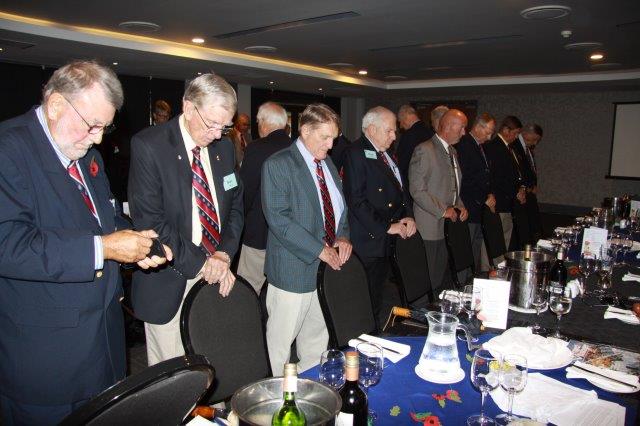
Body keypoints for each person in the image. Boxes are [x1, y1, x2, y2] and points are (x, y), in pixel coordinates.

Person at [0, 60, 171, 425]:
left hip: (102, 346)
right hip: (47, 359)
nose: (98, 139)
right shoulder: (8, 149)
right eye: (92, 124)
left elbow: (105, 218)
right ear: (56, 105)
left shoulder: (85, 154)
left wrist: (135, 242)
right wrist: (104, 248)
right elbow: (8, 245)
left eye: (105, 127)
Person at [128, 73, 244, 366]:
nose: (217, 134)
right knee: (174, 377)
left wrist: (223, 254)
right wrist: (205, 263)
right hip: (170, 278)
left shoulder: (223, 147)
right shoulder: (150, 145)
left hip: (217, 272)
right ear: (189, 107)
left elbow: (235, 207)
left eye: (225, 126)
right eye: (212, 124)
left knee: (213, 363)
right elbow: (151, 222)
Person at [262, 103, 352, 375]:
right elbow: (279, 220)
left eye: (334, 138)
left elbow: (340, 208)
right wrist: (319, 249)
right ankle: (278, 393)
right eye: (325, 137)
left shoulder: (327, 163)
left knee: (317, 338)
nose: (330, 145)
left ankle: (310, 387)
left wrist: (343, 236)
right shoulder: (278, 164)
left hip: (324, 269)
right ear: (305, 130)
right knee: (280, 344)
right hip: (292, 268)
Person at [342, 106, 415, 330]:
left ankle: (371, 333)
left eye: (394, 131)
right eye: (389, 131)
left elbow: (401, 189)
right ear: (372, 129)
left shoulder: (385, 153)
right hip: (368, 238)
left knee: (376, 295)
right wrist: (386, 227)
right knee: (363, 298)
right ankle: (361, 338)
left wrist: (408, 216)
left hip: (384, 237)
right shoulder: (356, 152)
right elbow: (356, 201)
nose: (394, 136)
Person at [409, 109, 468, 297]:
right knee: (425, 280)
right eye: (462, 127)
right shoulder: (424, 150)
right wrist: (444, 210)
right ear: (448, 126)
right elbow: (417, 190)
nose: (464, 132)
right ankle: (421, 312)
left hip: (447, 225)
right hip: (428, 225)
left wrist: (460, 205)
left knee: (437, 278)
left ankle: (432, 308)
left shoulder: (453, 151)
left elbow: (453, 186)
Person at [238, 102, 291, 294]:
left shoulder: (256, 148)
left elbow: (246, 191)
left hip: (259, 232)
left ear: (263, 122)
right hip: (289, 235)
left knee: (248, 288)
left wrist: (239, 221)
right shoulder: (297, 149)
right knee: (281, 290)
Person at [456, 112, 496, 271]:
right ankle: (463, 281)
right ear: (478, 127)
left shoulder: (480, 146)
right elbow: (465, 180)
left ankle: (471, 278)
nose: (489, 136)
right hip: (469, 205)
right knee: (466, 252)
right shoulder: (465, 145)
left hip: (479, 208)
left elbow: (486, 174)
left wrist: (490, 193)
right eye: (488, 132)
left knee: (475, 249)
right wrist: (483, 197)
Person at [483, 116, 526, 251]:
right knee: (495, 244)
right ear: (506, 130)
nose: (516, 137)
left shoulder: (509, 148)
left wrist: (521, 188)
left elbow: (516, 173)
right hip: (499, 202)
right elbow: (497, 177)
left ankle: (502, 264)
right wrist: (515, 192)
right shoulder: (494, 146)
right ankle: (494, 265)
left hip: (507, 202)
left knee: (505, 242)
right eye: (515, 133)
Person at [395, 104, 434, 191]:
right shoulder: (430, 133)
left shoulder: (409, 135)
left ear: (405, 116)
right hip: (430, 181)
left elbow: (402, 162)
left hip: (412, 183)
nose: (400, 126)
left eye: (400, 121)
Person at [517, 123, 543, 242]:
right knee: (523, 231)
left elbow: (531, 169)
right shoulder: (515, 145)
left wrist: (533, 185)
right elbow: (518, 170)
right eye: (534, 139)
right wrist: (526, 187)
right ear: (527, 133)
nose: (535, 143)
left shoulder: (528, 149)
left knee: (534, 228)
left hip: (530, 193)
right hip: (521, 193)